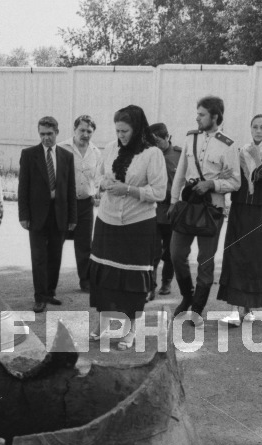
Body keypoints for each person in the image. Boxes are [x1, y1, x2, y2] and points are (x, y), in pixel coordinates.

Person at [88, 105, 167, 350]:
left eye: (125, 131)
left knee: (132, 280)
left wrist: (129, 190)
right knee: (104, 277)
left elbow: (160, 192)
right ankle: (102, 323)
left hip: (137, 224)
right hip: (107, 221)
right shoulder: (111, 149)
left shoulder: (152, 154)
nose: (120, 135)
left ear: (137, 128)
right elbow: (96, 176)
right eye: (118, 130)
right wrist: (104, 182)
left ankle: (131, 330)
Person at [169, 96, 241, 323]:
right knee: (176, 254)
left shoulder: (228, 145)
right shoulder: (191, 138)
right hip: (188, 205)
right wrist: (173, 201)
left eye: (201, 114)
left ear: (215, 116)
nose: (197, 117)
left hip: (212, 209)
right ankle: (186, 296)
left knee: (205, 260)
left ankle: (196, 308)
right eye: (197, 113)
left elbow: (235, 182)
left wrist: (212, 184)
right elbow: (181, 171)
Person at [217, 114, 262, 325]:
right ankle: (235, 311)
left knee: (256, 259)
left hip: (261, 214)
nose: (258, 131)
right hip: (240, 210)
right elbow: (233, 179)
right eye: (254, 127)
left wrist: (257, 160)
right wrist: (225, 173)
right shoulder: (240, 152)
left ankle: (249, 307)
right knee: (237, 257)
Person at [18, 116, 77, 314]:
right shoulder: (29, 155)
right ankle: (39, 297)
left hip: (59, 214)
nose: (46, 138)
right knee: (39, 257)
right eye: (42, 134)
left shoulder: (66, 156)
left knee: (55, 256)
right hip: (36, 216)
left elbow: (71, 189)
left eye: (49, 134)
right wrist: (23, 215)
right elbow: (23, 187)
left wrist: (72, 218)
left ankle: (50, 292)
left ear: (57, 133)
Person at [58, 115, 103, 291]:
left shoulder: (96, 152)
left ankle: (85, 281)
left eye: (89, 131)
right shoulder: (62, 148)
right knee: (56, 242)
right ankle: (48, 284)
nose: (85, 134)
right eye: (82, 130)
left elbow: (97, 178)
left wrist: (96, 193)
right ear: (74, 130)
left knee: (84, 244)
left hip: (85, 204)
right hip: (64, 205)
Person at [147, 123, 181, 298]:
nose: (155, 145)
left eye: (158, 141)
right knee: (152, 251)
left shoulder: (179, 155)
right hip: (152, 210)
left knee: (170, 251)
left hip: (172, 212)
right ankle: (150, 285)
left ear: (167, 137)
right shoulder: (149, 155)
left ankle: (166, 282)